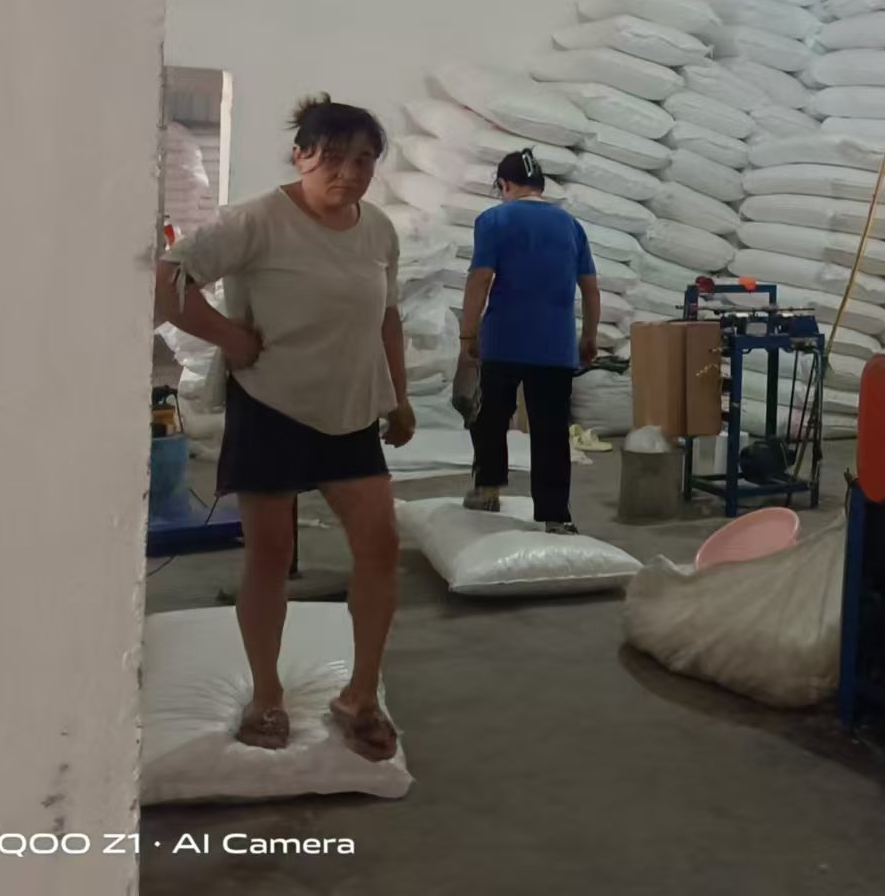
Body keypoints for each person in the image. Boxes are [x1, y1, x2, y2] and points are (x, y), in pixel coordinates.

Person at [154, 95, 411, 760]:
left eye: (364, 160)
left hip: (351, 411)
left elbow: (388, 316)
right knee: (269, 556)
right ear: (301, 155)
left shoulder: (379, 230)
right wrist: (230, 337)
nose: (349, 172)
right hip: (270, 407)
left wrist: (400, 396)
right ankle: (266, 694)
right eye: (333, 157)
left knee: (380, 548)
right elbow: (166, 281)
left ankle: (360, 695)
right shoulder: (258, 220)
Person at [460, 149, 599, 533]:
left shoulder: (494, 219)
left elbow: (480, 279)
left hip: (503, 341)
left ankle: (488, 489)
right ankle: (555, 515)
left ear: (504, 184)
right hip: (555, 346)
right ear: (540, 185)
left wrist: (468, 334)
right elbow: (590, 288)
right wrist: (588, 336)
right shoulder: (571, 225)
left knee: (489, 418)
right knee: (551, 431)